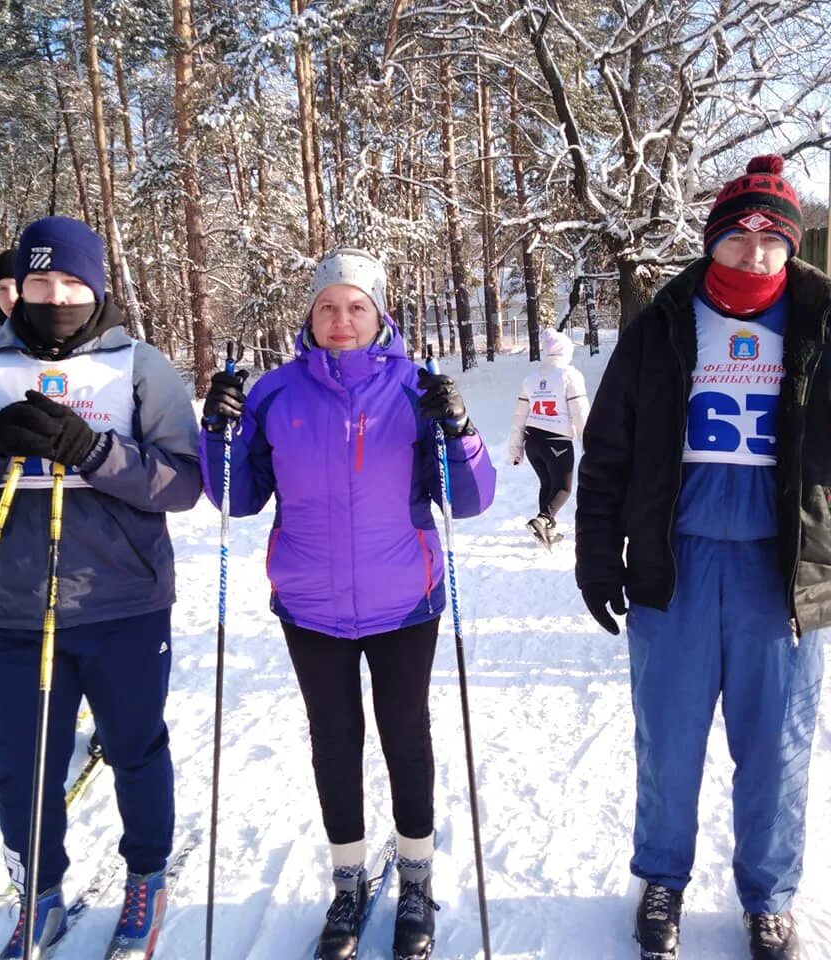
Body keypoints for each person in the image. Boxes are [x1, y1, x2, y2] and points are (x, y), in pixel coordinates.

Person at [0, 216, 203, 960]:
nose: (55, 295)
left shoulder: (141, 366)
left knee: (136, 748)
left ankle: (145, 879)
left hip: (125, 602)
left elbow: (183, 483)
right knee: (23, 764)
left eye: (71, 282)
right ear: (18, 290)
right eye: (39, 282)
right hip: (12, 604)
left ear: (96, 286)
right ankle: (39, 896)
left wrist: (95, 451)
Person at [200, 248, 496, 960]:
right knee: (334, 740)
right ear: (309, 313)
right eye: (327, 306)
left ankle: (418, 877)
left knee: (405, 735)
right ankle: (348, 880)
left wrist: (458, 428)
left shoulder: (416, 387)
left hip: (405, 601)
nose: (341, 320)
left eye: (356, 306)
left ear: (379, 313)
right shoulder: (274, 392)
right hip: (309, 603)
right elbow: (236, 500)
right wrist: (216, 433)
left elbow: (473, 497)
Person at [575, 156, 828, 960]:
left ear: (793, 245)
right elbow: (608, 447)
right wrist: (595, 553)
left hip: (780, 572)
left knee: (776, 749)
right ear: (714, 237)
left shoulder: (822, 323)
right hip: (674, 565)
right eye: (740, 233)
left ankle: (768, 897)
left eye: (773, 237)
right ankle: (662, 883)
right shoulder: (661, 324)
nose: (755, 251)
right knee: (669, 739)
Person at [508, 327, 589, 547]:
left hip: (533, 440)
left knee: (547, 484)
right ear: (565, 352)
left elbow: (519, 415)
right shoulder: (570, 375)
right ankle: (543, 520)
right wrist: (590, 444)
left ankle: (547, 530)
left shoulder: (532, 378)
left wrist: (516, 449)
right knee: (563, 488)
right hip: (557, 441)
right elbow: (580, 413)